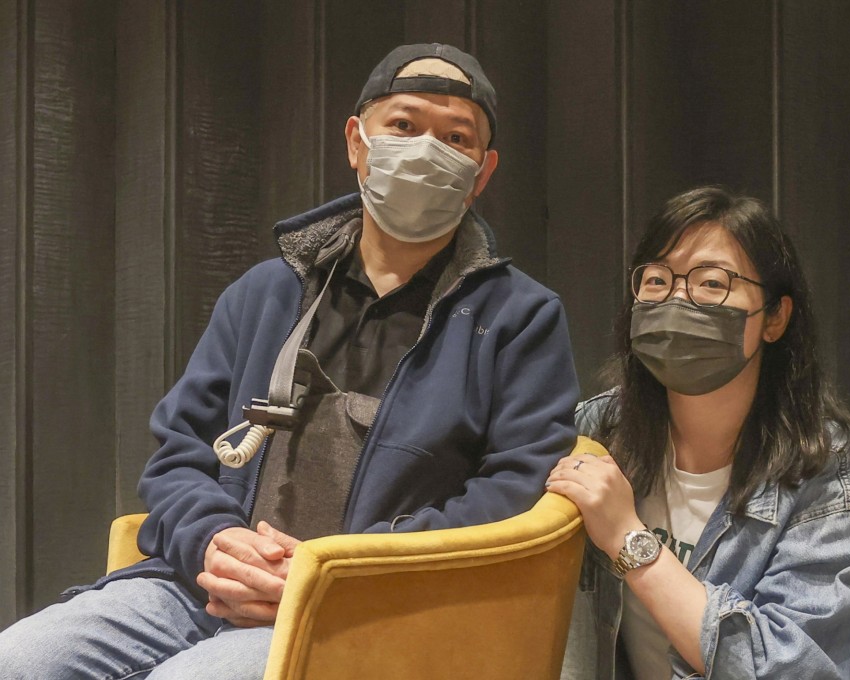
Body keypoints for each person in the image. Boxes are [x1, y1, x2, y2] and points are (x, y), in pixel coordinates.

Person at [0, 43, 579, 679]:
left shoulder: (522, 316)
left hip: (370, 610)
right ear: (357, 142)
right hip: (204, 586)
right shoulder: (265, 293)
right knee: (18, 661)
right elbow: (179, 454)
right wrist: (214, 542)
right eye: (404, 125)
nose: (426, 150)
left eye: (456, 138)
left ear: (482, 171)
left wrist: (335, 570)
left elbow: (514, 491)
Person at [547, 186, 850, 679]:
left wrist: (628, 538)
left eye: (711, 282)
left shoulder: (839, 473)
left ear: (775, 317)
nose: (678, 298)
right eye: (658, 280)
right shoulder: (600, 433)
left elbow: (782, 669)